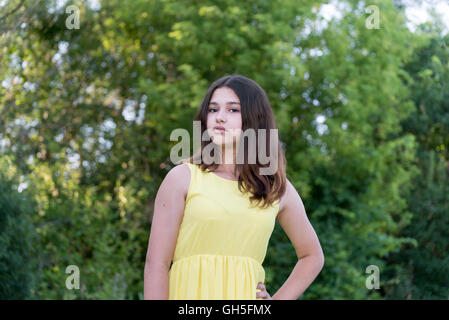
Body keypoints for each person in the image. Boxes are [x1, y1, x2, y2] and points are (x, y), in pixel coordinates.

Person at [144, 74, 324, 300]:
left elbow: (312, 255)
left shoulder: (275, 187)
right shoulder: (182, 178)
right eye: (213, 109)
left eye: (232, 110)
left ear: (254, 119)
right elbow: (156, 264)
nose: (219, 117)